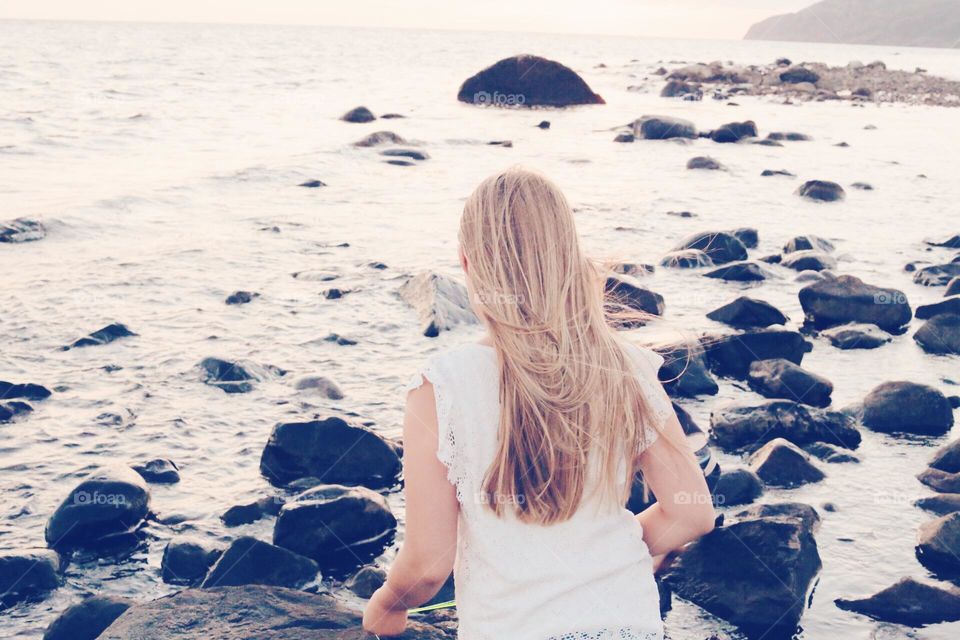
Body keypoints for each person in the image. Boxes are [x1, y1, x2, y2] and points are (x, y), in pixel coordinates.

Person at [363, 167, 715, 639]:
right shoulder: (626, 367)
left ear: (467, 263)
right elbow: (692, 513)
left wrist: (387, 603)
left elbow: (428, 565)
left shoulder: (442, 386)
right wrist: (611, 552)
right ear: (569, 257)